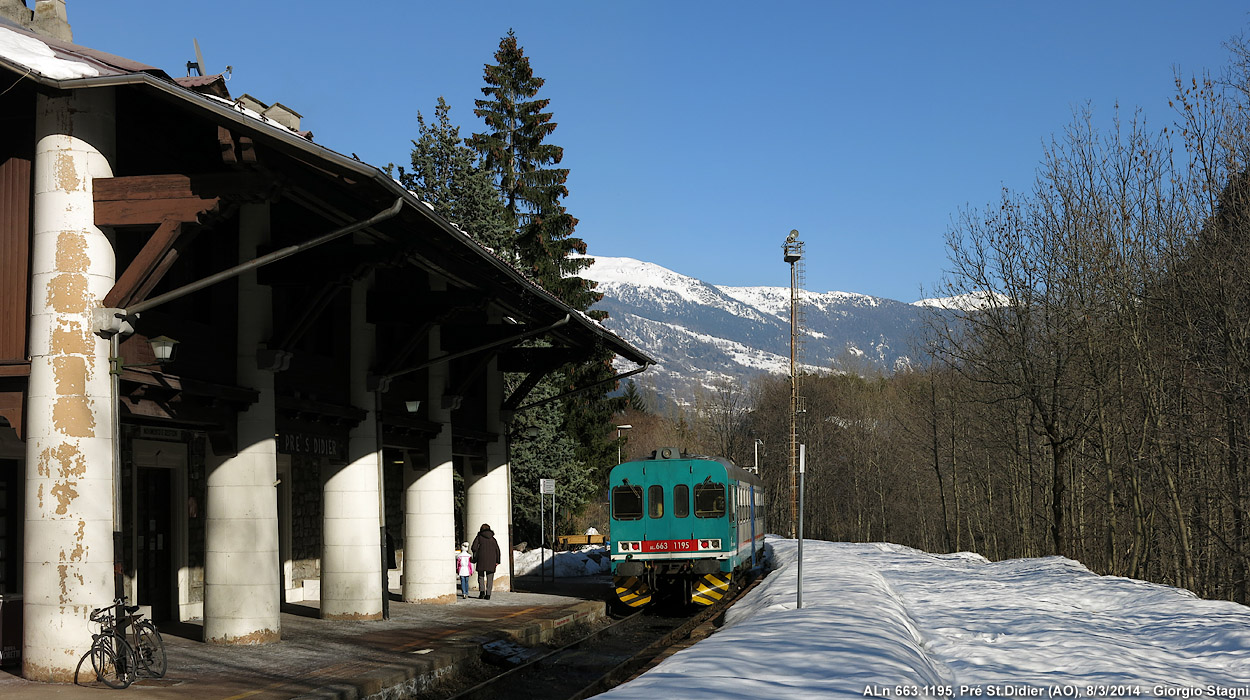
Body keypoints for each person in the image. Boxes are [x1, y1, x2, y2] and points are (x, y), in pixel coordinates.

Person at [470, 523, 501, 599]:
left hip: (481, 559)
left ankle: (482, 592)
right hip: (492, 561)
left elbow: (474, 547)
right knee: (490, 577)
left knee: (481, 576)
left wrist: (476, 553)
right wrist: (497, 561)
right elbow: (497, 550)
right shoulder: (493, 539)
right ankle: (488, 594)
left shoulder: (479, 537)